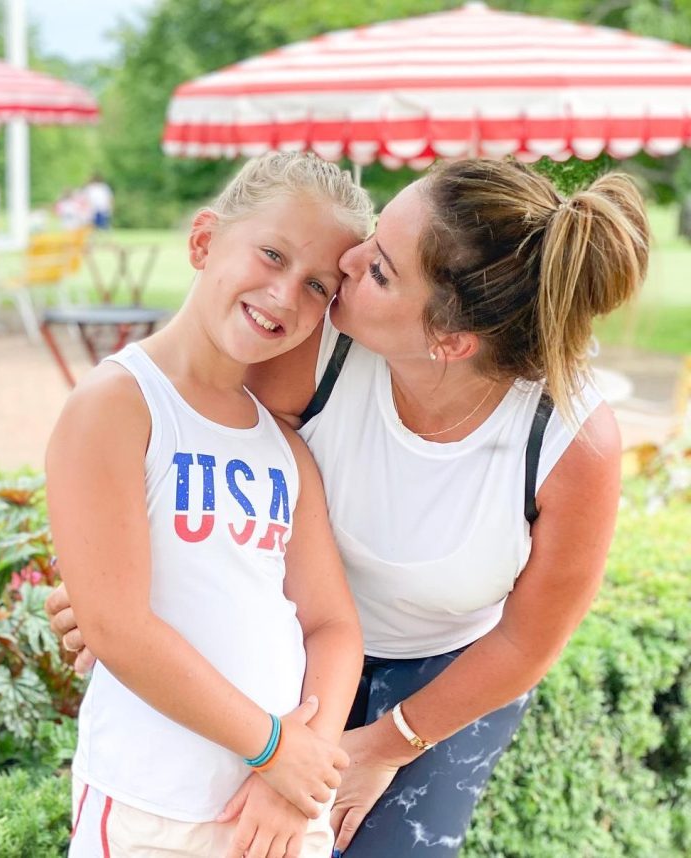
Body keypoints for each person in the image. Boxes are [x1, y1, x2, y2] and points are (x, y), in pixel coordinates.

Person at [46, 157, 649, 856]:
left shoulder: (570, 443)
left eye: (382, 270)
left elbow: (527, 640)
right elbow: (152, 454)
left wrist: (355, 749)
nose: (350, 258)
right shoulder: (299, 339)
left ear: (448, 341)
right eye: (374, 238)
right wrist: (99, 591)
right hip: (289, 647)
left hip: (439, 667)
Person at [47, 152, 373, 858]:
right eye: (272, 254)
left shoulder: (284, 450)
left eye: (316, 284)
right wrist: (273, 747)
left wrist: (301, 770)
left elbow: (333, 627)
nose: (286, 295)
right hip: (151, 809)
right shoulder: (117, 405)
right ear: (203, 242)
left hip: (279, 817)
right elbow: (115, 625)